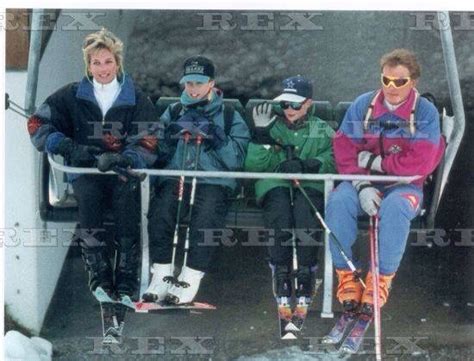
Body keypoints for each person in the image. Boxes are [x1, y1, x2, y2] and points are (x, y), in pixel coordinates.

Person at [27, 28, 158, 302]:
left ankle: (126, 276)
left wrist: (125, 158)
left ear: (117, 62)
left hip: (121, 169)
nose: (103, 69)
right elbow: (37, 124)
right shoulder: (72, 96)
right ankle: (99, 273)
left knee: (126, 198)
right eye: (96, 63)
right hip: (86, 169)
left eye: (108, 62)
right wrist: (69, 147)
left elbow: (149, 139)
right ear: (88, 65)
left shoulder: (134, 97)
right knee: (88, 196)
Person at [326, 49, 445, 315]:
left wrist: (377, 163)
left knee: (396, 207)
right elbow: (345, 147)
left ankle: (381, 279)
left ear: (413, 82)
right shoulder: (364, 106)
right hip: (364, 181)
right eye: (386, 80)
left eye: (399, 81)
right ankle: (347, 274)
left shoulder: (424, 113)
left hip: (405, 185)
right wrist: (362, 184)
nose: (391, 87)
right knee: (339, 200)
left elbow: (421, 162)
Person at [144, 55, 250, 304]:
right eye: (188, 83)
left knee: (206, 216)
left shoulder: (229, 115)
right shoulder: (173, 111)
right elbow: (154, 151)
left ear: (211, 83)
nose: (193, 89)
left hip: (213, 181)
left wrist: (217, 138)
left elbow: (237, 160)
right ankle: (161, 273)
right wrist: (167, 137)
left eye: (199, 83)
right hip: (177, 175)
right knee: (161, 212)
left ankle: (190, 275)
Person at [244, 75, 335, 301]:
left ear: (308, 104)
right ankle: (280, 269)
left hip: (309, 184)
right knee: (280, 213)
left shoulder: (321, 129)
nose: (289, 109)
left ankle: (307, 269)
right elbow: (254, 167)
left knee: (306, 213)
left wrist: (310, 165)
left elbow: (336, 157)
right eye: (285, 104)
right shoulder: (273, 127)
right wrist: (261, 136)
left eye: (295, 104)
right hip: (276, 183)